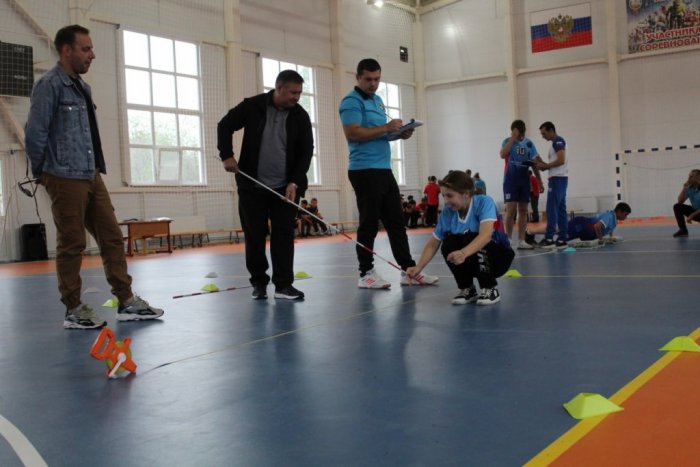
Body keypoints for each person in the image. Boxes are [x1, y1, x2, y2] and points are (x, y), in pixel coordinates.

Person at [25, 25, 164, 329]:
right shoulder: (49, 85)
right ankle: (73, 309)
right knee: (72, 242)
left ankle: (126, 301)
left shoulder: (82, 88)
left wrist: (95, 168)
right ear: (67, 50)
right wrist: (43, 174)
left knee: (112, 236)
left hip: (90, 173)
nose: (92, 55)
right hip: (63, 175)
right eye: (86, 49)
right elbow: (34, 133)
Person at [339, 58, 438, 288]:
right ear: (358, 77)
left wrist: (399, 134)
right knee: (369, 224)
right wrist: (386, 127)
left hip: (383, 169)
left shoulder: (377, 100)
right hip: (364, 170)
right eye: (368, 79)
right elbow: (353, 133)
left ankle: (408, 270)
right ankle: (366, 273)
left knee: (396, 223)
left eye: (377, 79)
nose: (373, 84)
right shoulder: (351, 102)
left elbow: (379, 134)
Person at [217, 69, 313, 300]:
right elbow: (224, 125)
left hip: (286, 189)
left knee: (284, 236)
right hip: (252, 187)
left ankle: (283, 285)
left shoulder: (300, 116)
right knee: (254, 236)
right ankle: (259, 283)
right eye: (293, 92)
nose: (296, 97)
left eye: (299, 93)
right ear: (279, 88)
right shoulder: (253, 106)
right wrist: (227, 155)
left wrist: (295, 182)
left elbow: (306, 151)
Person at [406, 171, 514, 305]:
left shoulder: (484, 202)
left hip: (499, 258)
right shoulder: (447, 212)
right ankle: (467, 288)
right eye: (443, 195)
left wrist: (463, 253)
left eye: (449, 195)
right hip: (473, 259)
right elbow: (433, 243)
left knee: (472, 238)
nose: (445, 201)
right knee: (448, 243)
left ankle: (490, 288)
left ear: (466, 194)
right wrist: (418, 267)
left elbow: (486, 236)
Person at [500, 119, 543, 250]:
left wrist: (540, 181)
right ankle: (507, 239)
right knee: (511, 209)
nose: (519, 136)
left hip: (524, 181)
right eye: (516, 133)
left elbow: (534, 164)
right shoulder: (507, 141)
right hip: (510, 180)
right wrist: (513, 138)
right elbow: (502, 154)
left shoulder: (529, 143)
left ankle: (521, 240)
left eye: (520, 133)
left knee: (523, 211)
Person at [526, 203, 631, 245]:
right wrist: (600, 239)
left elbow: (609, 227)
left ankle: (531, 232)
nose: (626, 217)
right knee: (558, 231)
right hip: (580, 226)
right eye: (625, 214)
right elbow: (597, 226)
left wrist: (611, 237)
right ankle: (530, 231)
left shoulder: (613, 218)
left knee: (559, 233)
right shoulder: (609, 217)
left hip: (584, 230)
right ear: (619, 211)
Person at [535, 121, 568, 249]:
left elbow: (561, 160)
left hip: (557, 179)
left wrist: (546, 166)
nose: (543, 136)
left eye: (544, 133)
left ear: (551, 131)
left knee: (552, 208)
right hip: (560, 178)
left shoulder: (557, 141)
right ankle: (562, 238)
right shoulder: (556, 143)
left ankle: (549, 238)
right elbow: (556, 162)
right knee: (560, 209)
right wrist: (542, 164)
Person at [672, 169, 700, 237]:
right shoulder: (690, 188)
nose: (688, 178)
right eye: (689, 176)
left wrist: (691, 215)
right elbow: (680, 201)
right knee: (677, 206)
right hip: (696, 211)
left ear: (698, 177)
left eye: (691, 176)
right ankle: (683, 230)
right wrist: (684, 189)